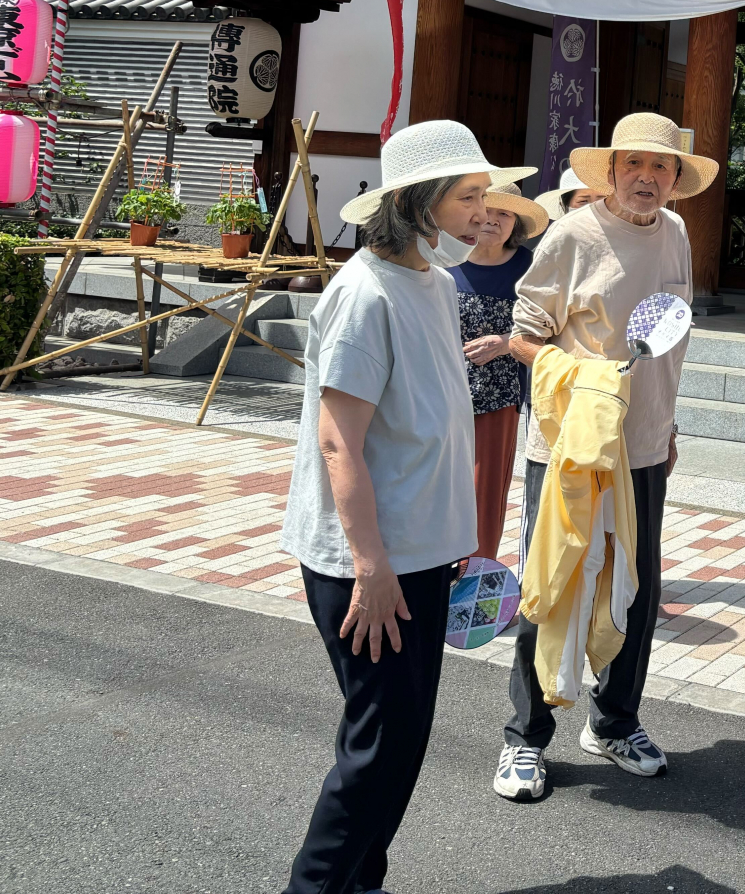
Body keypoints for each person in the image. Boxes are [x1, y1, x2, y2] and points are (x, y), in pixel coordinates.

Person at [278, 120, 526, 894]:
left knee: (400, 740)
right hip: (372, 562)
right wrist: (371, 566)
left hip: (421, 553)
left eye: (486, 194)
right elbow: (338, 444)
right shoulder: (364, 295)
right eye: (467, 197)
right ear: (417, 202)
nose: (485, 211)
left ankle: (362, 882)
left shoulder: (436, 284)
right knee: (378, 748)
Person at [493, 112, 718, 803]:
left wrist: (667, 428)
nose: (647, 178)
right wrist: (587, 379)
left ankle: (615, 722)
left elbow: (668, 344)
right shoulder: (572, 235)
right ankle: (525, 738)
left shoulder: (676, 234)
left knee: (637, 589)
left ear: (675, 179)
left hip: (644, 445)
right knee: (553, 582)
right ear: (612, 171)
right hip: (571, 447)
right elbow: (524, 335)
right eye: (634, 165)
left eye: (661, 167)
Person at [451, 176, 547, 563]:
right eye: (486, 209)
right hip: (440, 392)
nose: (492, 219)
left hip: (499, 396)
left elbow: (552, 325)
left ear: (516, 224)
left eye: (504, 214)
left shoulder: (531, 267)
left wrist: (506, 342)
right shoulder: (445, 260)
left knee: (484, 491)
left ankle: (475, 575)